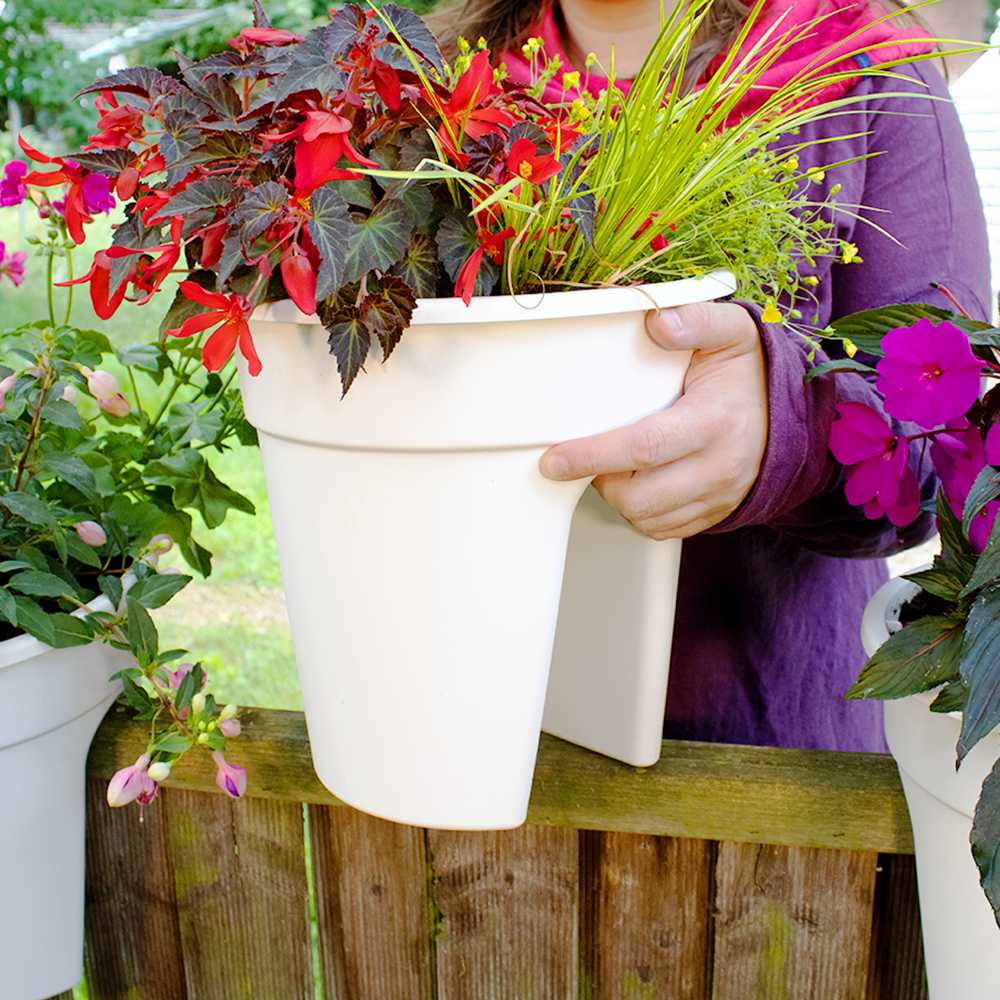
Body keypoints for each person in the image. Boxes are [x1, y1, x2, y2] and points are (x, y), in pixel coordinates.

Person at [439, 0, 993, 751]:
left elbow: (941, 450)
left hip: (762, 747)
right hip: (471, 712)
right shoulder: (439, 87)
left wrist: (788, 427)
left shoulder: (855, 59)